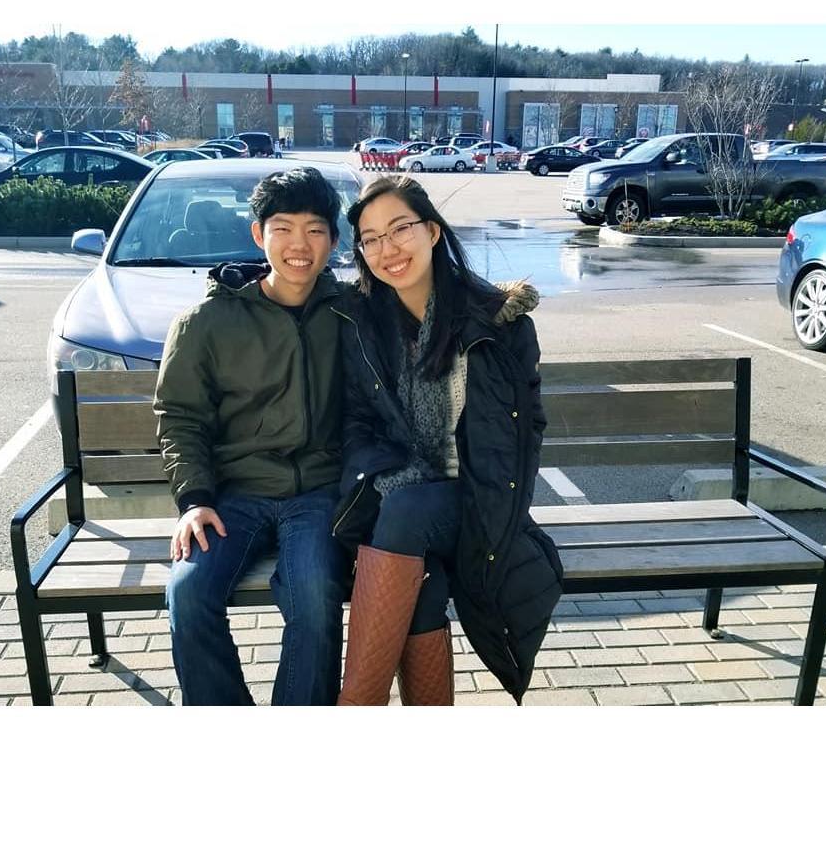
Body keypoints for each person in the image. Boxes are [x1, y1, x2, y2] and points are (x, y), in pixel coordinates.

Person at [331, 174, 563, 706]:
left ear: (433, 231)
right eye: (371, 239)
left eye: (400, 229)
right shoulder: (365, 325)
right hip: (404, 502)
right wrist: (395, 475)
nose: (388, 249)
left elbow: (526, 432)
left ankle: (355, 707)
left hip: (481, 499)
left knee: (407, 512)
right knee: (424, 586)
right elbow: (357, 425)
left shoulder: (498, 323)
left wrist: (492, 502)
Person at [155, 167, 347, 705]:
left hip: (318, 494)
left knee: (315, 595)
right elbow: (179, 415)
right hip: (232, 495)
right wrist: (193, 500)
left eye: (315, 229)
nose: (299, 245)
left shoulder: (350, 313)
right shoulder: (208, 321)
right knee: (188, 592)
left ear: (333, 239)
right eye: (283, 228)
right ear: (258, 233)